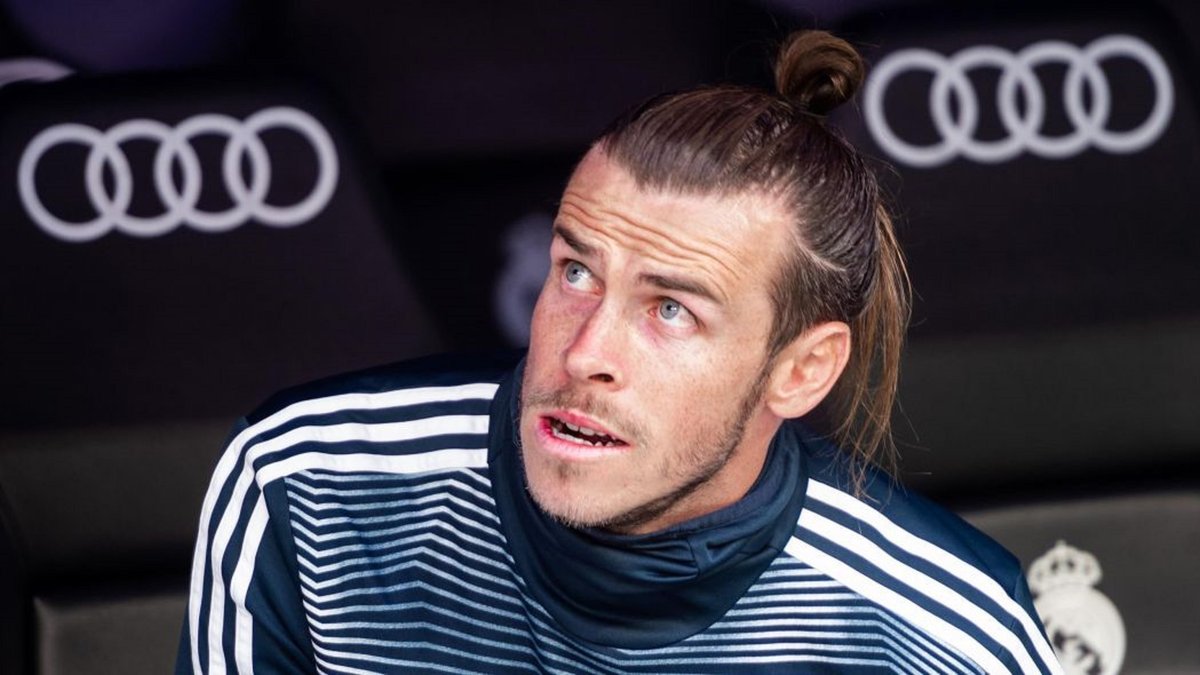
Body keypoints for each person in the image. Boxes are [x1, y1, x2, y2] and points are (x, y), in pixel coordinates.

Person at [178, 30, 1061, 674]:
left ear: (801, 370)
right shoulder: (308, 481)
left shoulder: (947, 635)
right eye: (576, 272)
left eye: (671, 309)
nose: (586, 352)